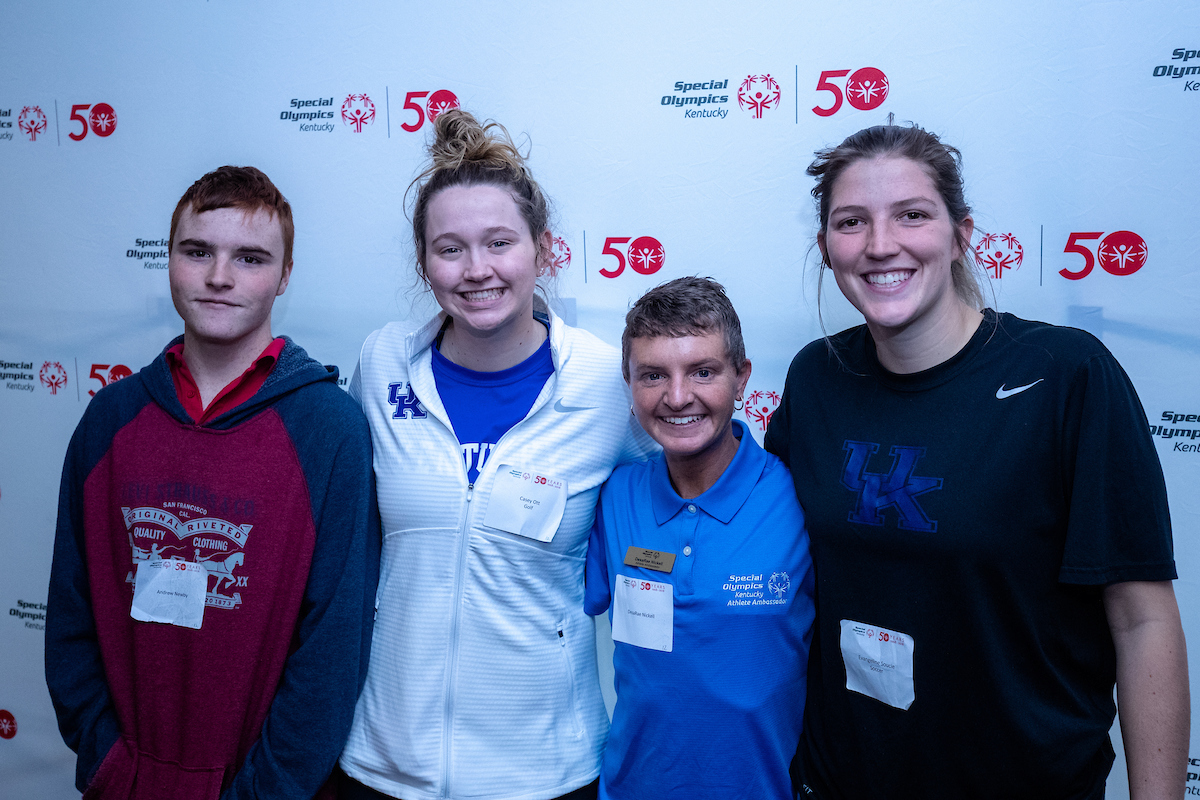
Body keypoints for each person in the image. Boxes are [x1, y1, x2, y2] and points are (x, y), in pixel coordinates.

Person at [764, 122, 1188, 799]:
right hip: (845, 780)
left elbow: (1141, 620)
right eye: (851, 222)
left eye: (912, 215)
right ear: (825, 248)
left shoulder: (1066, 377)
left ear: (962, 233)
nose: (880, 245)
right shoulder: (817, 378)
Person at [338, 109, 656, 800]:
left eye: (500, 243)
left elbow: (687, 496)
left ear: (543, 250)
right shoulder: (383, 362)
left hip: (546, 773)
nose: (476, 270)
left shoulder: (605, 383)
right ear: (423, 263)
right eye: (449, 248)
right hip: (384, 768)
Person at [45, 165, 381, 800]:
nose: (219, 277)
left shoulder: (329, 428)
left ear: (284, 276)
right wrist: (109, 763)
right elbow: (69, 614)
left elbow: (333, 649)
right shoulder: (110, 419)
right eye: (197, 252)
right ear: (169, 258)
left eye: (250, 258)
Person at [584, 277, 815, 799]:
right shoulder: (616, 495)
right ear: (628, 382)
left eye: (703, 371)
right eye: (652, 375)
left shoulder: (799, 494)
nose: (677, 397)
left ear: (742, 378)